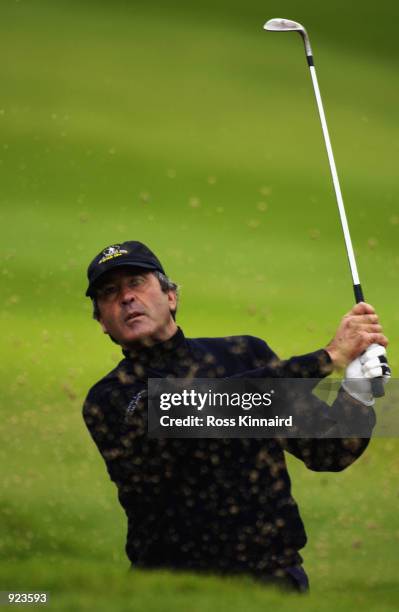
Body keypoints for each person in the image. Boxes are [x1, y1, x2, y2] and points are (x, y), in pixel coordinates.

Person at [82, 240, 390, 593]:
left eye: (136, 282)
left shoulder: (244, 355)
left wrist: (358, 394)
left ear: (171, 297)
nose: (125, 297)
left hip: (274, 582)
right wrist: (327, 358)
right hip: (174, 590)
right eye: (109, 293)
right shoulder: (110, 398)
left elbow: (330, 451)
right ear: (102, 322)